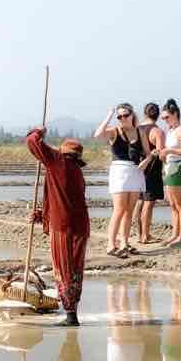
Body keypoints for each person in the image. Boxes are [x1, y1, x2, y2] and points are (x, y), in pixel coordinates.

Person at [25, 127, 90, 326]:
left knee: (63, 270)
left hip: (64, 228)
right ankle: (72, 314)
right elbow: (62, 199)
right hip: (79, 227)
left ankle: (70, 317)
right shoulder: (77, 171)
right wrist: (41, 215)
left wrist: (38, 131)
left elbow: (32, 142)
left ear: (63, 153)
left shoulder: (58, 162)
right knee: (75, 271)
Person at [94, 103, 152, 256]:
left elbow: (148, 152)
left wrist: (146, 161)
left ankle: (124, 242)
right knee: (119, 209)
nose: (122, 118)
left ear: (132, 115)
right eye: (119, 116)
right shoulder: (115, 131)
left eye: (125, 115)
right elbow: (98, 134)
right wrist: (109, 116)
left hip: (135, 171)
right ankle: (111, 244)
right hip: (119, 171)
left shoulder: (140, 131)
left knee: (129, 211)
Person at [158, 99, 181, 247]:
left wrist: (170, 150)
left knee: (180, 204)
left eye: (167, 117)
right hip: (169, 168)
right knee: (172, 205)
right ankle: (175, 234)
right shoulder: (170, 131)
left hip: (178, 168)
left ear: (175, 114)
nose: (165, 120)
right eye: (163, 118)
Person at [136, 102, 165, 244]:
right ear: (158, 115)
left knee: (140, 201)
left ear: (144, 113)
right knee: (149, 202)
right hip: (152, 169)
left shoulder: (137, 129)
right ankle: (145, 235)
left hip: (138, 168)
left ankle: (141, 234)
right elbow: (160, 153)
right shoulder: (157, 131)